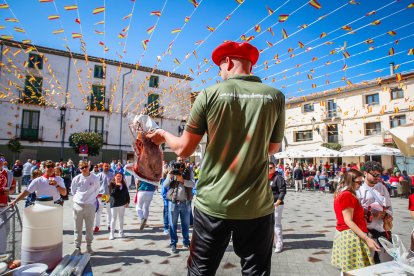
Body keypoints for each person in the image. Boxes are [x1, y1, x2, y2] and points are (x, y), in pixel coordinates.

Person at [147, 41, 285, 275]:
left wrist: (161, 135)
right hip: (257, 206)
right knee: (256, 271)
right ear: (250, 66)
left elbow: (183, 149)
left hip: (213, 203)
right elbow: (273, 147)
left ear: (228, 61)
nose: (219, 73)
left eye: (219, 67)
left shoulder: (209, 94)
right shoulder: (275, 96)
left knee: (201, 270)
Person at [331, 169, 380, 272]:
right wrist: (367, 239)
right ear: (350, 181)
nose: (361, 185)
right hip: (351, 236)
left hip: (349, 234)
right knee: (356, 271)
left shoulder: (347, 193)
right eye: (358, 182)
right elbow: (348, 221)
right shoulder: (347, 195)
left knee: (354, 271)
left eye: (362, 182)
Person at [356, 161, 393, 264]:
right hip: (367, 232)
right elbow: (355, 212)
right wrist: (371, 214)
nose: (377, 177)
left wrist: (387, 215)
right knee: (369, 263)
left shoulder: (382, 187)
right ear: (365, 173)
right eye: (374, 175)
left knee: (387, 262)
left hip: (382, 231)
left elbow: (389, 207)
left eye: (379, 175)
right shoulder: (359, 189)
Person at [162, 164, 194, 253]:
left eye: (181, 161)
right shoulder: (172, 171)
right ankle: (173, 244)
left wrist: (183, 180)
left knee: (186, 225)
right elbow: (164, 185)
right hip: (173, 203)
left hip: (185, 203)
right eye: (178, 161)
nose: (180, 163)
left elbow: (193, 184)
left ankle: (186, 242)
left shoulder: (189, 171)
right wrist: (170, 177)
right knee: (173, 225)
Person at [71, 160, 100, 254]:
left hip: (90, 206)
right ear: (79, 169)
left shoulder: (95, 178)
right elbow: (73, 191)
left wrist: (90, 200)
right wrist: (79, 200)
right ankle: (77, 247)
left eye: (85, 167)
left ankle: (89, 246)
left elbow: (96, 190)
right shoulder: (76, 178)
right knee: (77, 228)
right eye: (82, 168)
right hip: (78, 206)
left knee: (89, 227)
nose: (84, 169)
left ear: (88, 167)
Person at [268, 162, 286, 253]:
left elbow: (283, 191)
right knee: (269, 225)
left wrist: (277, 202)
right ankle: (273, 242)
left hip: (276, 205)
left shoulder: (278, 177)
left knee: (276, 224)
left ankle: (279, 244)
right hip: (267, 205)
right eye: (267, 168)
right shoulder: (266, 178)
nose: (269, 169)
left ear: (275, 168)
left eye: (271, 167)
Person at [0, 157, 16, 255]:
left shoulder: (8, 174)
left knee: (7, 229)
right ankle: (2, 254)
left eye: (1, 162)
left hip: (5, 205)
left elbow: (13, 187)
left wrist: (9, 191)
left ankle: (3, 253)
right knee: (1, 230)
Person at [108, 172, 130, 240]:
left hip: (122, 204)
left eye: (120, 176)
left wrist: (127, 202)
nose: (119, 178)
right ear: (115, 177)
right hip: (114, 204)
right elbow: (112, 194)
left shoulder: (124, 184)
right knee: (113, 219)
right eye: (117, 176)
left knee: (121, 219)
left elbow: (127, 194)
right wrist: (117, 186)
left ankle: (121, 232)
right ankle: (111, 234)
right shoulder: (111, 184)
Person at [95, 162, 115, 232]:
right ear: (102, 167)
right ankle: (97, 226)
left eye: (107, 166)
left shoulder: (112, 175)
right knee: (99, 211)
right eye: (105, 166)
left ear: (109, 167)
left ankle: (110, 225)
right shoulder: (98, 175)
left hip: (108, 195)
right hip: (101, 195)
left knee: (109, 211)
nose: (106, 167)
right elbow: (95, 185)